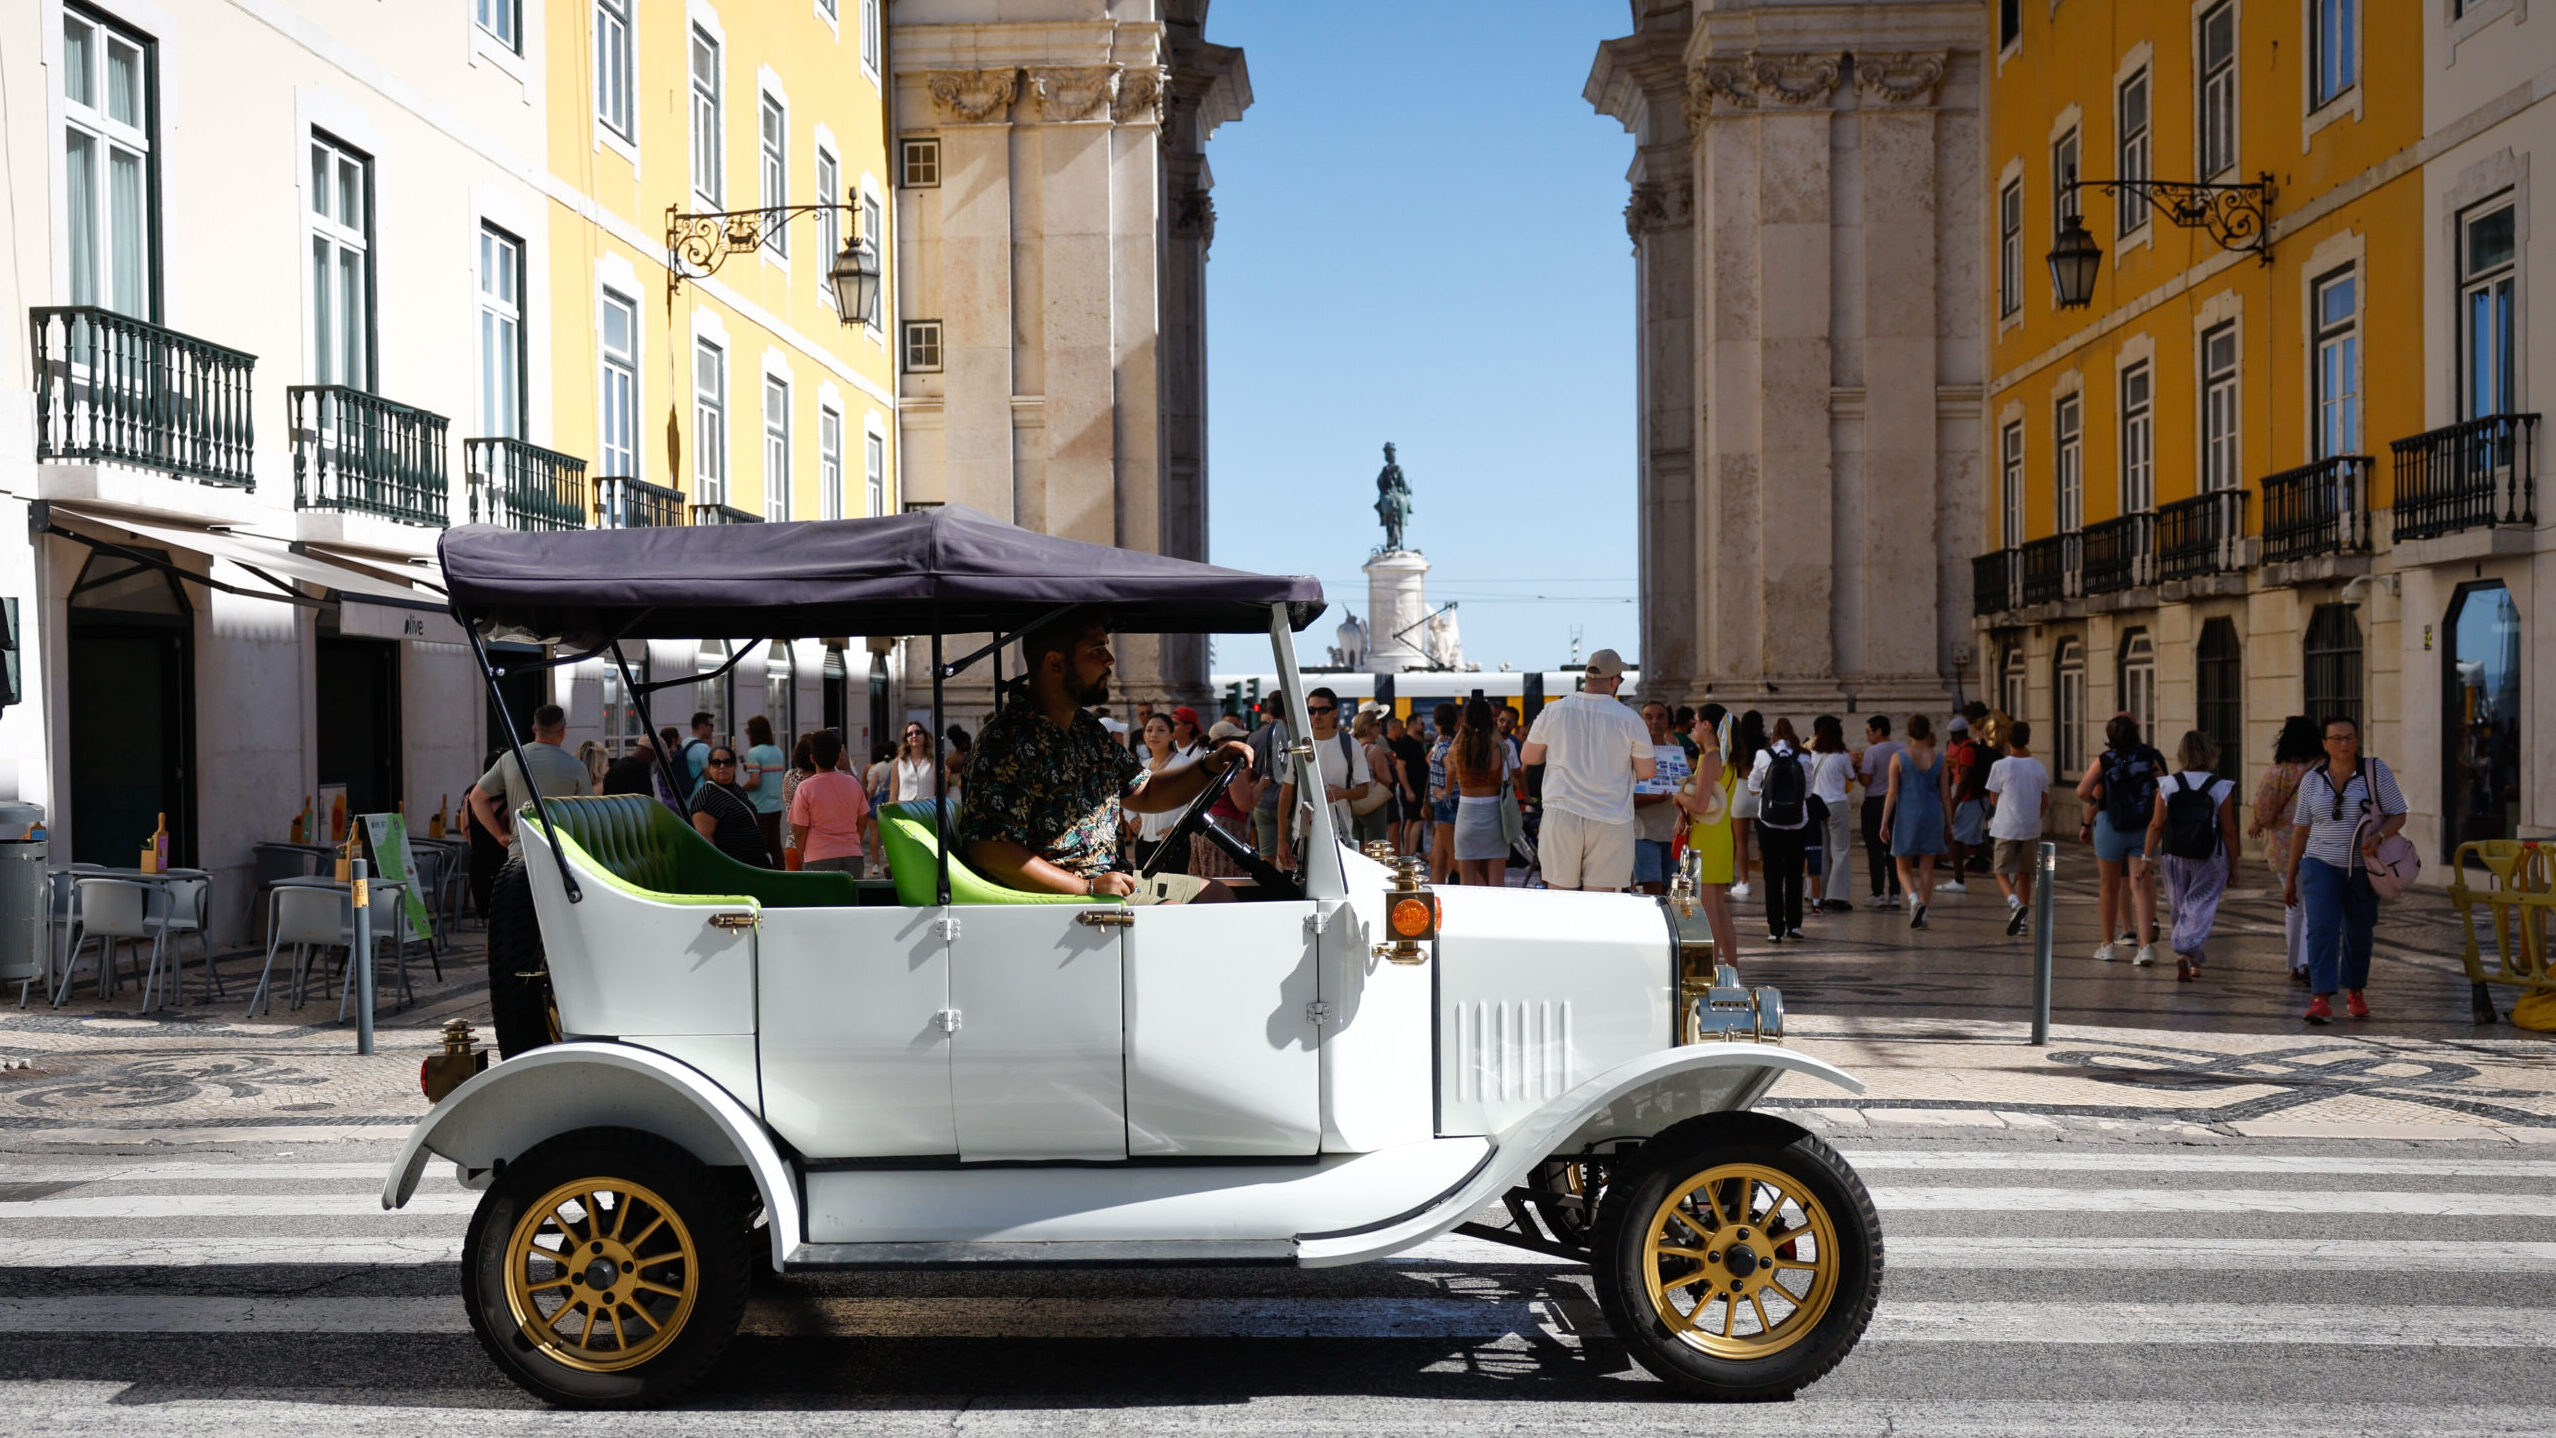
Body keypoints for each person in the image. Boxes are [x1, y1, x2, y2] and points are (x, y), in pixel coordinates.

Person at [959, 610, 1247, 902]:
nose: (1109, 659)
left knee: (1217, 894)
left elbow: (1145, 791)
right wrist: (1087, 887)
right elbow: (990, 850)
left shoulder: (1087, 729)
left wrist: (1209, 766)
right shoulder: (1007, 740)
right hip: (1060, 902)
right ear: (1055, 663)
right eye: (1096, 649)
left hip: (1109, 880)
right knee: (1176, 914)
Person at [2281, 716, 2407, 1023]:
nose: (2343, 744)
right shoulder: (2312, 779)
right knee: (2321, 929)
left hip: (2363, 867)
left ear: (2357, 741)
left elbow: (2399, 814)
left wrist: (2380, 836)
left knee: (2359, 930)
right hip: (2319, 864)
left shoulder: (2375, 771)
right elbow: (2301, 830)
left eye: (2349, 737)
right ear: (2325, 744)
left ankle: (2355, 991)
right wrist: (2291, 876)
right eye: (2336, 738)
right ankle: (2321, 999)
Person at [1520, 650, 1655, 892]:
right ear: (1614, 681)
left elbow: (1528, 757)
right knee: (1600, 900)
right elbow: (1646, 772)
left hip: (1561, 814)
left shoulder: (1554, 710)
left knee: (1560, 895)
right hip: (1611, 818)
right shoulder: (1630, 719)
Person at [2148, 730, 2241, 984]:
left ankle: (2191, 959)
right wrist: (2234, 863)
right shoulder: (2221, 787)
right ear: (2211, 754)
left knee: (2180, 906)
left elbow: (2157, 825)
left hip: (2174, 855)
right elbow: (2229, 830)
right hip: (2209, 856)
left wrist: (2146, 857)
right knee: (2200, 905)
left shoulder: (2167, 784)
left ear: (2181, 754)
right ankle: (2186, 950)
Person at [2076, 714, 2166, 966]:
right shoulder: (2149, 757)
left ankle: (2107, 945)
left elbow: (2082, 790)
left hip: (2110, 825)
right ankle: (2145, 947)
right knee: (2141, 885)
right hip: (2141, 826)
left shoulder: (2104, 760)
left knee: (2109, 886)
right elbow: (2164, 787)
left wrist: (2096, 801)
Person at [2250, 716, 2324, 983]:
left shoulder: (2278, 771)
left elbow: (2263, 808)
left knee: (2293, 906)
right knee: (2313, 907)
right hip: (2319, 843)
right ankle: (2308, 961)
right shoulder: (2323, 768)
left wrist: (2260, 823)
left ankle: (2295, 964)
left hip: (2284, 846)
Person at [466, 704, 595, 851]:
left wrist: (500, 835)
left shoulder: (510, 759)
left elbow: (476, 798)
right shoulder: (576, 767)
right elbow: (588, 815)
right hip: (561, 852)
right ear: (563, 731)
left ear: (534, 729)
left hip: (521, 850)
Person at [1276, 686, 1374, 874]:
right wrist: (1281, 840)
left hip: (1339, 837)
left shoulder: (1350, 745)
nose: (1316, 716)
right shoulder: (1296, 746)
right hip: (1302, 836)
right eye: (1311, 710)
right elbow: (1286, 793)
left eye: (1323, 710)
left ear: (1334, 712)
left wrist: (1341, 793)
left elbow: (1364, 790)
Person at [1674, 704, 1742, 962]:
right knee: (1719, 908)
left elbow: (1700, 805)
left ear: (1707, 725)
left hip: (1706, 837)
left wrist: (1678, 795)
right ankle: (1731, 968)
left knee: (1708, 908)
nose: (1692, 726)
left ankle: (1710, 968)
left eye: (1696, 721)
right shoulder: (1726, 757)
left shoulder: (1710, 759)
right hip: (1721, 834)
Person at [1747, 717, 1814, 941]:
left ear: (1773, 736)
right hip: (1797, 822)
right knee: (1795, 874)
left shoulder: (1763, 755)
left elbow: (1752, 787)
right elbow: (1808, 792)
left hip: (1769, 822)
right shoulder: (1804, 756)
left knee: (1772, 876)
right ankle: (1795, 925)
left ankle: (1775, 929)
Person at [1984, 721, 2051, 935]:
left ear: (2007, 740)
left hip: (2006, 827)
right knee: (2025, 874)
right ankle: (2023, 922)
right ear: (2028, 740)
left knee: (2001, 871)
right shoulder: (2038, 767)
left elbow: (1993, 798)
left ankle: (2014, 902)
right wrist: (2033, 817)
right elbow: (2044, 801)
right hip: (2030, 827)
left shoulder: (2000, 766)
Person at [1883, 714, 1947, 929]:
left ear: (1909, 732)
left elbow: (1892, 793)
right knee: (1927, 867)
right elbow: (1946, 796)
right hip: (1932, 814)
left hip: (1907, 815)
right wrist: (1950, 824)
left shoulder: (1899, 757)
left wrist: (1884, 822)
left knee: (1903, 866)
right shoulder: (1939, 759)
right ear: (1928, 731)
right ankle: (1924, 913)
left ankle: (1913, 899)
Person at [1444, 698, 1513, 887]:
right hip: (1495, 817)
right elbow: (1505, 746)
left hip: (1467, 815)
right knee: (1496, 882)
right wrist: (1490, 726)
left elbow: (1450, 750)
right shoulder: (1498, 749)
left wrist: (1464, 728)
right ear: (1490, 720)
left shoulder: (1458, 751)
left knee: (1468, 883)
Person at [788, 728, 874, 877]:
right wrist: (855, 842)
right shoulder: (853, 783)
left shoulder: (805, 788)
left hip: (818, 855)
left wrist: (803, 856)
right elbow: (862, 819)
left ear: (812, 758)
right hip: (852, 855)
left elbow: (799, 830)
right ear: (838, 757)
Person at [1632, 701, 1690, 896]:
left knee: (1666, 890)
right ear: (1641, 721)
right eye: (1649, 717)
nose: (1654, 721)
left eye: (1660, 717)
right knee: (1652, 889)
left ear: (1667, 721)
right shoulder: (1631, 754)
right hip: (1644, 834)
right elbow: (1623, 798)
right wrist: (1651, 799)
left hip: (1671, 833)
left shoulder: (1676, 752)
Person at [1190, 718, 1257, 880]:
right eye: (1235, 739)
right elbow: (1244, 804)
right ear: (1221, 742)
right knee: (1225, 884)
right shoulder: (1229, 764)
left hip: (1204, 829)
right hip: (1224, 830)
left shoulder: (1204, 761)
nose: (1241, 743)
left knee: (1204, 884)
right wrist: (1264, 783)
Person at [1804, 716, 1858, 913]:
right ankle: (1837, 896)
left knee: (1820, 850)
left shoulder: (1812, 755)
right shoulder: (1842, 757)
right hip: (1836, 805)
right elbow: (1851, 776)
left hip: (1817, 805)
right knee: (1840, 851)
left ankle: (1816, 893)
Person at [689, 746, 773, 868]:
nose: (722, 766)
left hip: (755, 864)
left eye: (727, 762)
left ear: (734, 766)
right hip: (735, 867)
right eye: (716, 763)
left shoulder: (736, 789)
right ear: (710, 767)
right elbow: (704, 837)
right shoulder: (706, 795)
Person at [1854, 715, 1905, 905]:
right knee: (1894, 849)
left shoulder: (1872, 751)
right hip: (1897, 802)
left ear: (1879, 731)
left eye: (1869, 731)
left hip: (1875, 802)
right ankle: (1895, 893)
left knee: (1875, 849)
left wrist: (1857, 770)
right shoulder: (1902, 748)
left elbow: (1866, 780)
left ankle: (1878, 893)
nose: (1868, 735)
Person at [1129, 713, 1188, 872]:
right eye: (1149, 730)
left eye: (1161, 730)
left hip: (1172, 841)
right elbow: (1128, 795)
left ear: (1171, 735)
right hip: (1144, 842)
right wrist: (1131, 817)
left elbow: (1196, 800)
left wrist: (1177, 827)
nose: (1153, 735)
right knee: (1145, 886)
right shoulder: (1142, 766)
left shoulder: (1183, 764)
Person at [1245, 695, 1293, 863]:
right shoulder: (1294, 736)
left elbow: (1249, 774)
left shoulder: (1254, 737)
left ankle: (1268, 881)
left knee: (1266, 856)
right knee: (1291, 858)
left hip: (1262, 803)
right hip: (1289, 805)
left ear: (1268, 710)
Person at [1941, 716, 1986, 893]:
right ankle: (2010, 867)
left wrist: (1954, 802)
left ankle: (1958, 880)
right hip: (1975, 799)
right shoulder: (1969, 747)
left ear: (1955, 734)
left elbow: (1965, 778)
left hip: (1970, 799)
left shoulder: (1966, 750)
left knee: (1956, 840)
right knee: (1976, 842)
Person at [1726, 711, 1766, 899]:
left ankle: (1744, 881)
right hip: (1760, 792)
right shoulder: (1765, 745)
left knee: (1741, 842)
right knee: (1766, 842)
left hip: (1741, 790)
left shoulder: (1738, 744)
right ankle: (1769, 876)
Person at [741, 715, 789, 864]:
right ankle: (780, 871)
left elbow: (755, 782)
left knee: (760, 845)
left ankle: (762, 870)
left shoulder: (754, 753)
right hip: (776, 805)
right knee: (775, 845)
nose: (747, 734)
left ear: (754, 733)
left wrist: (741, 789)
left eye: (748, 731)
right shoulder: (777, 751)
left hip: (759, 805)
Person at [1425, 701, 1461, 883]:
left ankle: (1485, 890)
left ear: (1435, 722)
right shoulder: (1446, 744)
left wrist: (1445, 792)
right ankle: (1435, 894)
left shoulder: (1443, 746)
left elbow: (1451, 768)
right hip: (1448, 805)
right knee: (1436, 859)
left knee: (1455, 861)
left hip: (1446, 805)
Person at [1387, 714, 1429, 856]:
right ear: (1412, 724)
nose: (1423, 726)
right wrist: (1408, 790)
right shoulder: (1406, 742)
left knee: (1411, 820)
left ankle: (1408, 852)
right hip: (1412, 788)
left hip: (1417, 787)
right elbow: (1400, 767)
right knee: (1418, 819)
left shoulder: (1417, 741)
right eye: (1421, 723)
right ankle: (1411, 852)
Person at [890, 721, 938, 806]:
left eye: (918, 732)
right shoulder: (898, 762)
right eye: (910, 734)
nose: (914, 736)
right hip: (905, 809)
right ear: (906, 740)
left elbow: (940, 792)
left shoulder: (934, 761)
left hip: (927, 808)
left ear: (925, 737)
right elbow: (893, 795)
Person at [680, 713, 716, 794]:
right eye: (711, 726)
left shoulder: (684, 743)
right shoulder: (703, 748)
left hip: (686, 795)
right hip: (701, 794)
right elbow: (710, 777)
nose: (713, 730)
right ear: (702, 726)